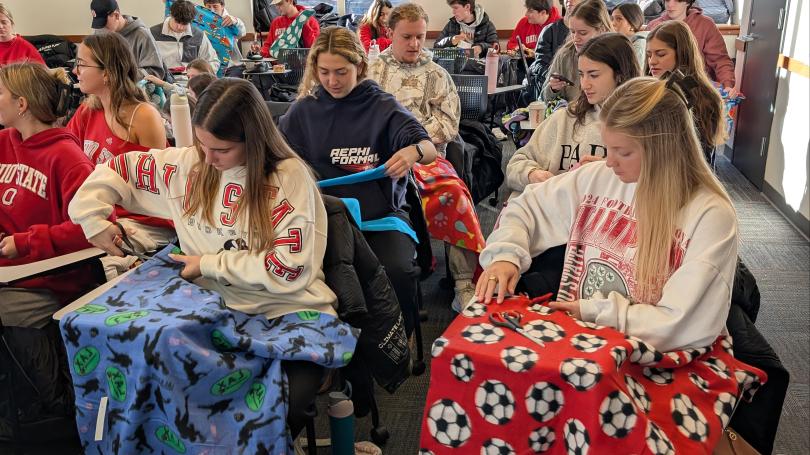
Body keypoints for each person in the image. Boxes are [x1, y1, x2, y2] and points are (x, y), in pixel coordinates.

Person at [68, 77, 337, 440]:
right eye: (200, 144)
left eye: (220, 150)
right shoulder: (191, 162)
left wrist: (207, 264)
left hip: (284, 308)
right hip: (213, 309)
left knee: (244, 415)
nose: (207, 159)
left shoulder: (288, 179)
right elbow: (119, 168)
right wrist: (93, 218)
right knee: (161, 387)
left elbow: (289, 269)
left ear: (252, 141)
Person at [478, 75, 739, 353]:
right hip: (580, 340)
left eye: (622, 152)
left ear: (663, 150)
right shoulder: (600, 177)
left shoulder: (711, 216)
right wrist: (506, 255)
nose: (609, 161)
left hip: (651, 354)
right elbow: (524, 207)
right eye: (608, 148)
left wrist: (596, 312)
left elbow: (683, 323)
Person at [278, 26, 438, 335]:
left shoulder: (382, 106)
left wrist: (413, 152)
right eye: (324, 72)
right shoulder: (304, 111)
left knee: (397, 271)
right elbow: (275, 156)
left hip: (377, 218)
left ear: (360, 67)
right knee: (304, 274)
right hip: (320, 218)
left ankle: (396, 339)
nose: (332, 81)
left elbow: (428, 148)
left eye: (341, 72)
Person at [368, 3, 485, 312]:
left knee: (456, 194)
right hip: (379, 159)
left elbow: (449, 124)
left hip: (427, 160)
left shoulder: (438, 74)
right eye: (407, 37)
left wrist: (411, 138)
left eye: (420, 37)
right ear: (390, 33)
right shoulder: (371, 72)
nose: (415, 44)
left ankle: (464, 283)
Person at [67, 33, 172, 277]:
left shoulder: (143, 116)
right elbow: (68, 161)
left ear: (107, 72)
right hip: (101, 213)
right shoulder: (87, 112)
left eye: (81, 64)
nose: (75, 71)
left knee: (91, 263)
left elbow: (160, 187)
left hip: (142, 221)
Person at [0, 62, 96, 328]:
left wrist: (25, 243)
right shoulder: (5, 141)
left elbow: (93, 227)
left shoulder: (68, 160)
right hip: (9, 272)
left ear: (21, 104)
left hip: (46, 282)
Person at [507, 33, 639, 197]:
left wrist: (611, 169)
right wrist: (533, 174)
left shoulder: (644, 126)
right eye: (581, 74)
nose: (584, 84)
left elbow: (662, 182)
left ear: (620, 75)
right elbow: (515, 164)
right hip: (557, 214)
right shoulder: (565, 117)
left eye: (593, 75)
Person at [646, 20, 725, 164]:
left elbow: (699, 157)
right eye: (649, 55)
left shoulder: (702, 97)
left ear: (682, 53)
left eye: (661, 54)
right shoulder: (655, 89)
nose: (652, 61)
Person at [647, 0, 736, 96]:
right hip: (660, 89)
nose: (670, 5)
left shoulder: (705, 24)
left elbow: (720, 60)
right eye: (667, 0)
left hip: (698, 90)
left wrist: (727, 86)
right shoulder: (653, 26)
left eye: (677, 0)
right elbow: (645, 66)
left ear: (688, 2)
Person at [541, 0, 612, 102]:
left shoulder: (615, 55)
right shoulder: (565, 54)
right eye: (572, 32)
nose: (575, 38)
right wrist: (552, 89)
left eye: (583, 33)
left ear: (602, 30)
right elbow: (543, 98)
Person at [89, 0, 166, 80]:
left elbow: (155, 72)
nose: (102, 28)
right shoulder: (98, 33)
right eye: (98, 23)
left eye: (104, 23)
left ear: (116, 15)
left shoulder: (142, 35)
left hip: (135, 90)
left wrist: (121, 76)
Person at [526, 0, 580, 100]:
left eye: (583, 32)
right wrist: (553, 78)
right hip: (556, 95)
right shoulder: (549, 31)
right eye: (573, 32)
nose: (577, 37)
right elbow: (539, 63)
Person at [150, 0, 220, 74]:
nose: (180, 27)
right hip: (161, 79)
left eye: (184, 24)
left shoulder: (198, 35)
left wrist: (199, 75)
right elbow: (143, 62)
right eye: (177, 22)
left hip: (190, 81)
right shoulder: (152, 33)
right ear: (170, 15)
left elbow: (213, 62)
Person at [203, 0, 248, 71]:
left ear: (222, 6)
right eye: (208, 7)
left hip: (232, 66)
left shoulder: (231, 21)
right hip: (210, 67)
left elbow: (242, 33)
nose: (211, 10)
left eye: (215, 6)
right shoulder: (201, 22)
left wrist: (236, 21)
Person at [610, 2, 646, 69]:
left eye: (619, 19)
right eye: (612, 19)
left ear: (632, 22)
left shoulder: (639, 44)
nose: (613, 23)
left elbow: (636, 75)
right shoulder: (619, 41)